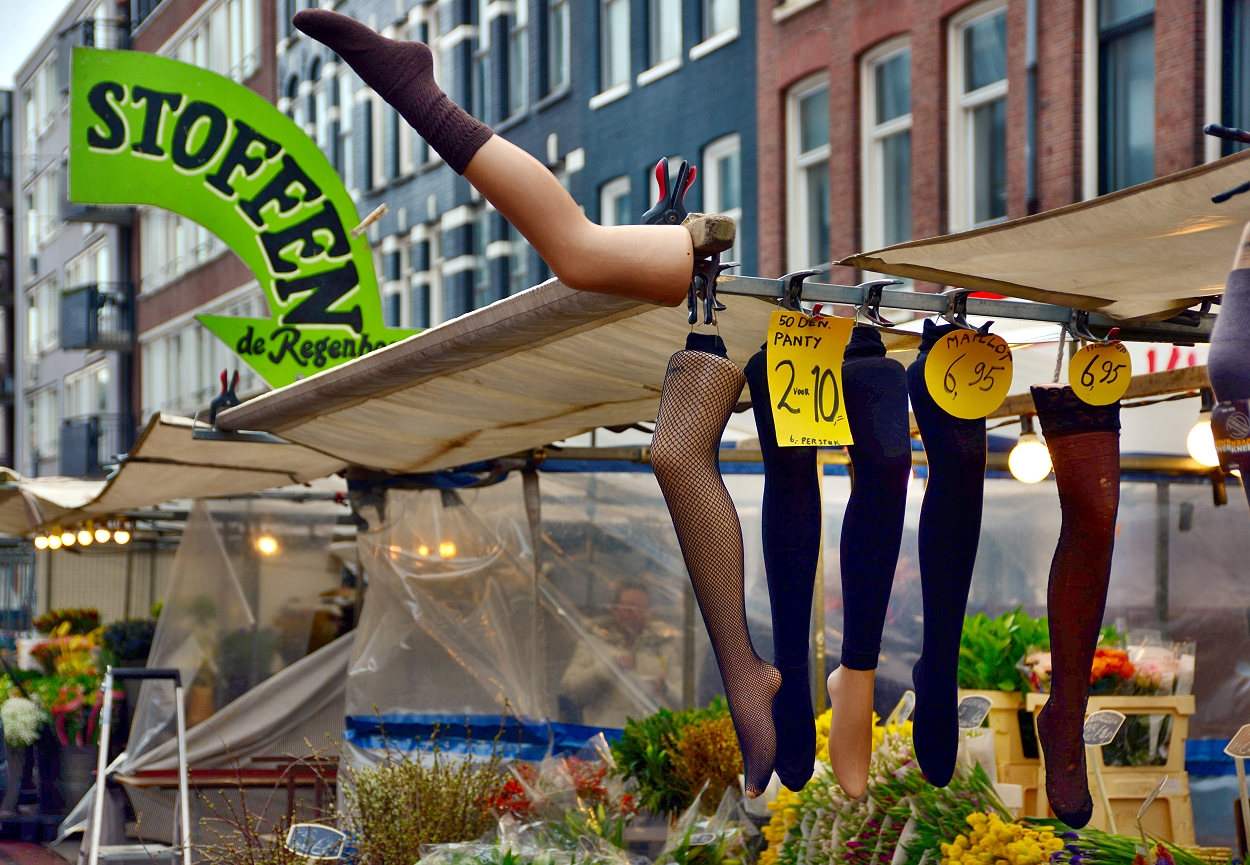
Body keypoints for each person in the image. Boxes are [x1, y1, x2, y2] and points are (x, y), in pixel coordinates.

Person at [560, 582, 681, 728]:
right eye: (629, 609)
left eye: (642, 609)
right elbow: (571, 692)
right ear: (615, 610)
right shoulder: (593, 645)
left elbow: (686, 699)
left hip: (654, 743)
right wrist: (610, 667)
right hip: (606, 740)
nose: (635, 615)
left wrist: (665, 688)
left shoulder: (664, 649)